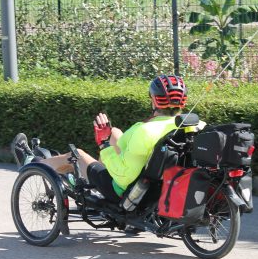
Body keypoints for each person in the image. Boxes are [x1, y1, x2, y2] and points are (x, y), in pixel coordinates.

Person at [11, 75, 191, 203]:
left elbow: (123, 177)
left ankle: (31, 162)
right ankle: (88, 174)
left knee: (78, 155)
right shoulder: (193, 125)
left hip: (124, 191)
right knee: (115, 132)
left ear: (153, 100)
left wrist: (104, 144)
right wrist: (110, 136)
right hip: (162, 186)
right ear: (183, 101)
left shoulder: (143, 130)